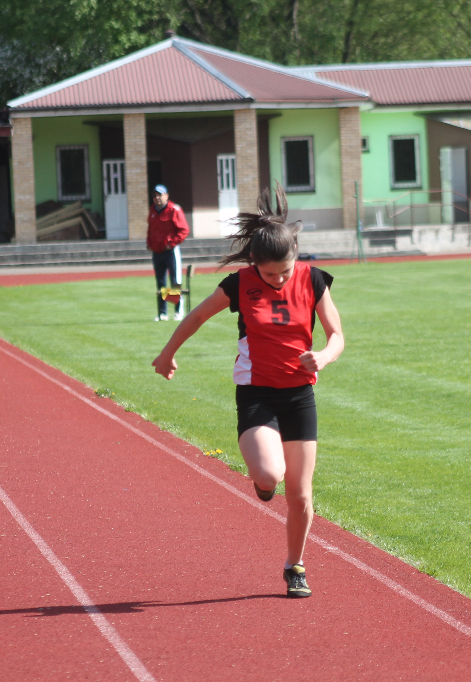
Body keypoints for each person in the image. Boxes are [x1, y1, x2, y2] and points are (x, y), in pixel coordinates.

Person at [152, 186, 344, 598]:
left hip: (299, 396)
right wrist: (167, 353)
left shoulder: (313, 280)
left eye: (285, 272)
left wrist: (324, 357)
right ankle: (263, 481)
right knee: (270, 475)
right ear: (255, 264)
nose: (279, 280)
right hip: (257, 394)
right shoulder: (240, 284)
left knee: (301, 494)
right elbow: (198, 316)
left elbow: (337, 335)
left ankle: (294, 566)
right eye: (270, 274)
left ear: (295, 257)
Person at [147, 184, 190, 321]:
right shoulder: (153, 210)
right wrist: (150, 244)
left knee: (175, 281)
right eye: (155, 195)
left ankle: (178, 311)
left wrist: (171, 243)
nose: (157, 198)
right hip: (157, 252)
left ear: (166, 195)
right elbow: (150, 230)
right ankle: (162, 313)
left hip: (171, 252)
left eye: (160, 195)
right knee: (161, 283)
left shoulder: (174, 210)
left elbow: (184, 230)